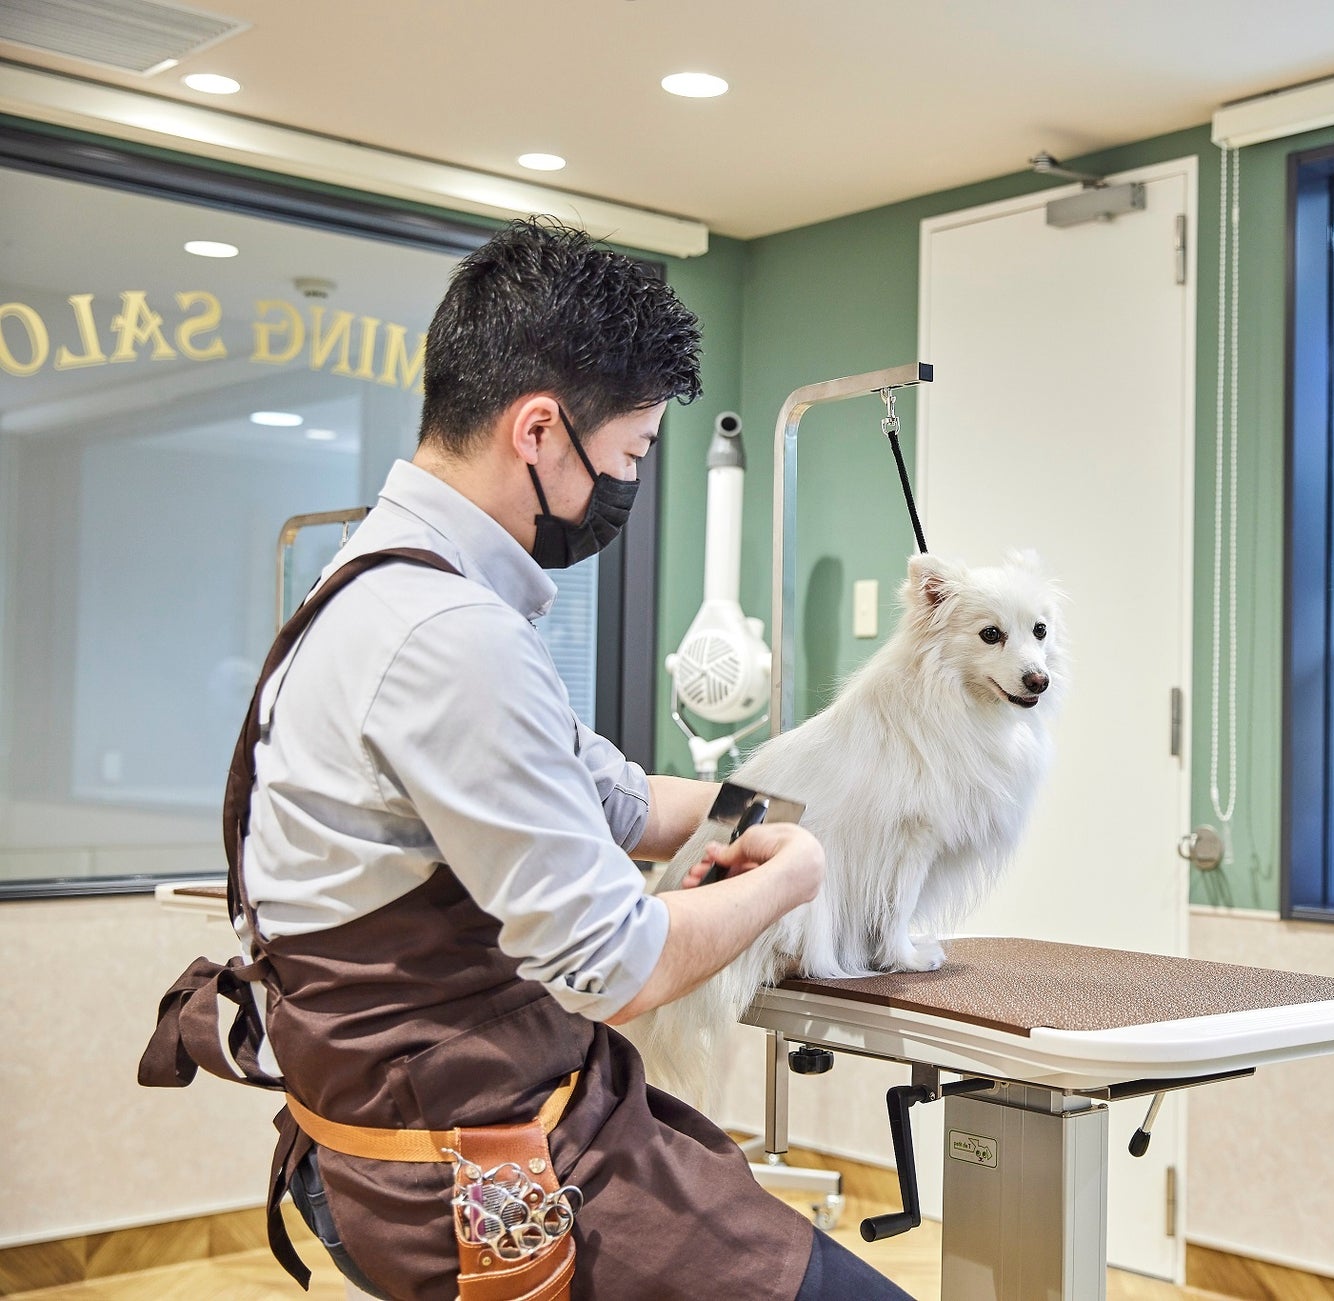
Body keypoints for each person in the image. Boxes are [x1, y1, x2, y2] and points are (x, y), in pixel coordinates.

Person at [140, 218, 911, 1301]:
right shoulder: (451, 635)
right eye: (632, 454)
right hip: (478, 1174)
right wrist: (796, 873)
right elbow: (616, 965)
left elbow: (615, 794)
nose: (629, 483)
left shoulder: (375, 584)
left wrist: (795, 800)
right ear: (540, 429)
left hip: (416, 1130)